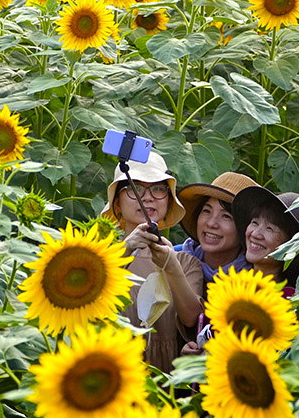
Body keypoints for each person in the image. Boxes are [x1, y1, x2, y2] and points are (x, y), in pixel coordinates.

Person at [101, 151, 203, 373]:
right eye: (134, 188)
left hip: (166, 380)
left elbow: (192, 319)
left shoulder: (186, 263)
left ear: (168, 200)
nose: (147, 197)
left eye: (158, 189)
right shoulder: (101, 256)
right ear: (117, 204)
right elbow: (89, 296)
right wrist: (126, 248)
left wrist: (170, 265)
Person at [232, 185, 299, 298]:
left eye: (270, 229)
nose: (255, 234)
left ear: (292, 245)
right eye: (255, 222)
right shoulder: (232, 285)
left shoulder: (291, 302)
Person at [176, 172, 256, 289]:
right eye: (207, 211)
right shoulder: (174, 259)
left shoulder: (256, 281)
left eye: (226, 216)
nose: (211, 223)